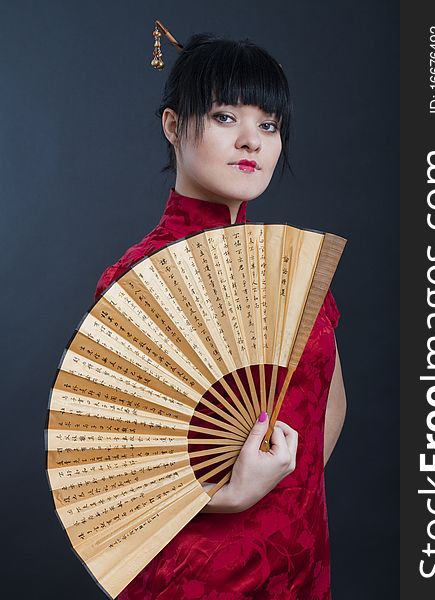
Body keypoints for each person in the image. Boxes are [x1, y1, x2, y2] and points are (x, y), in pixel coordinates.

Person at [94, 26, 347, 600]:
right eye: (226, 117)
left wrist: (289, 496)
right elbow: (107, 465)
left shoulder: (294, 267)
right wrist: (229, 498)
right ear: (173, 125)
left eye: (269, 124)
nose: (251, 141)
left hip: (299, 560)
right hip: (195, 573)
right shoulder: (140, 277)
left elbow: (330, 399)